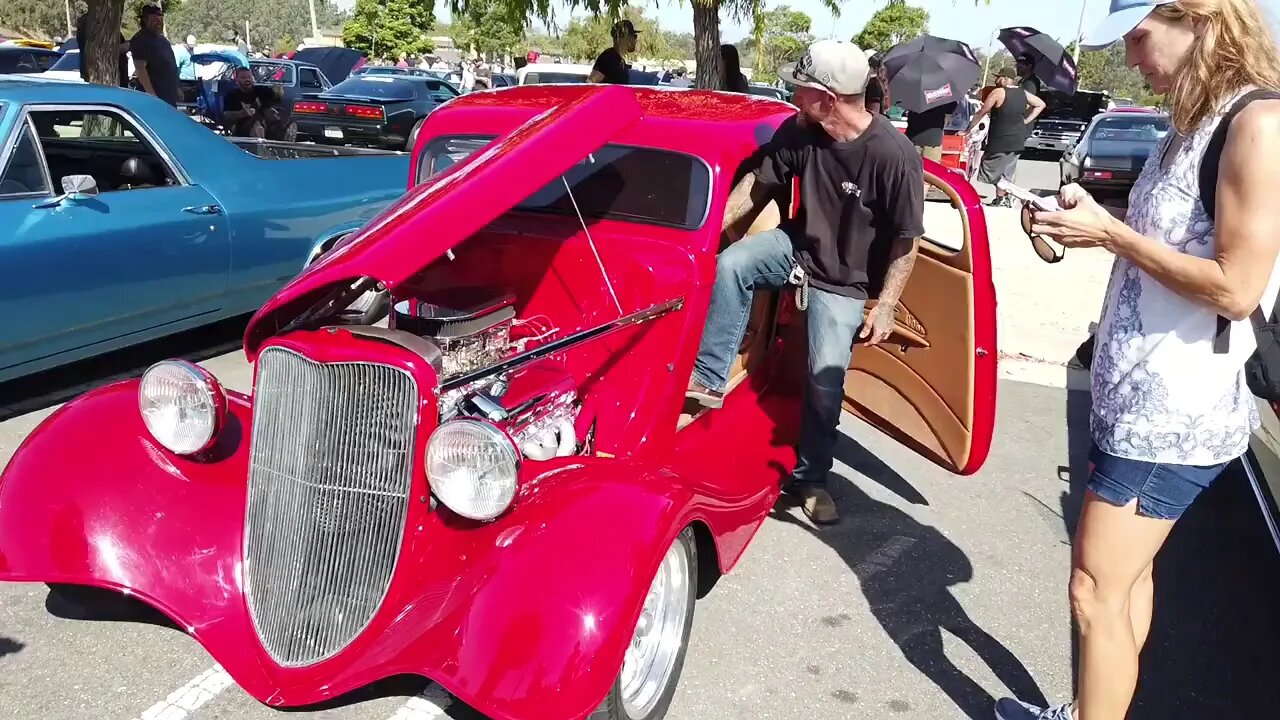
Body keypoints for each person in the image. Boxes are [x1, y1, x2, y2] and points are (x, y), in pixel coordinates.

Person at [995, 1, 1280, 719]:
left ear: (1198, 18)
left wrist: (1115, 239)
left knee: (1093, 591)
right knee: (1125, 582)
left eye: (1137, 35)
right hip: (1137, 396)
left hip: (1176, 412)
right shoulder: (1192, 122)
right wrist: (1084, 223)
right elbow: (1168, 248)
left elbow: (1237, 287)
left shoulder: (1259, 125)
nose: (1127, 57)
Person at [684, 39, 924, 525]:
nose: (794, 95)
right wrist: (704, 239)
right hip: (797, 248)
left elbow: (906, 241)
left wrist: (887, 304)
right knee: (734, 265)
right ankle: (710, 378)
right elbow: (758, 185)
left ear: (828, 98)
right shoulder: (801, 131)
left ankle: (812, 478)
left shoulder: (894, 155)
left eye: (802, 88)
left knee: (824, 382)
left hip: (846, 279)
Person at [962, 66, 1044, 206]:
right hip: (1017, 139)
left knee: (989, 170)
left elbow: (982, 111)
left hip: (1000, 140)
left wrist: (967, 130)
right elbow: (1040, 104)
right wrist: (1026, 121)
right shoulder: (1022, 93)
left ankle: (1010, 194)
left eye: (998, 77)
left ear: (1005, 78)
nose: (996, 79)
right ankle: (1001, 198)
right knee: (1006, 172)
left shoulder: (998, 92)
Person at [222, 66, 294, 141]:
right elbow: (227, 115)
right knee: (257, 126)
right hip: (242, 128)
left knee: (276, 121)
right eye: (243, 78)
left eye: (249, 77)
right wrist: (242, 113)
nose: (247, 79)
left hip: (266, 125)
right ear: (236, 80)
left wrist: (278, 91)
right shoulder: (232, 95)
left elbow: (276, 95)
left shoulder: (260, 90)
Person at [130, 4, 181, 106]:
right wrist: (152, 95)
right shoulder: (141, 39)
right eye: (154, 18)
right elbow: (140, 69)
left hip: (169, 98)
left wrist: (177, 88)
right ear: (144, 19)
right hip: (154, 101)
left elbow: (171, 65)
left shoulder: (163, 41)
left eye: (160, 17)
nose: (158, 21)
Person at [74, 11, 130, 87]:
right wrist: (128, 46)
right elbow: (104, 50)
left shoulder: (91, 22)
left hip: (101, 71)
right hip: (104, 72)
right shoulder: (95, 21)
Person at [589, 19, 639, 85]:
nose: (635, 40)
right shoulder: (609, 58)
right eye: (634, 36)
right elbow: (591, 82)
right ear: (624, 37)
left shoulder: (619, 60)